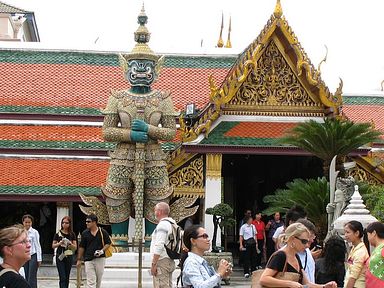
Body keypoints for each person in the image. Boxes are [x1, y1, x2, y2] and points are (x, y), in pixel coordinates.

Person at [259, 222, 337, 288]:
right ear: (293, 239)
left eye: (307, 241)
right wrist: (289, 283)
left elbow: (307, 283)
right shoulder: (281, 255)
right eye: (304, 241)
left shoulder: (296, 257)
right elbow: (264, 279)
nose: (307, 245)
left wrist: (324, 286)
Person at [76, 214, 111, 288]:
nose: (87, 223)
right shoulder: (85, 233)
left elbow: (108, 243)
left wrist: (102, 251)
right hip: (88, 259)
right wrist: (79, 259)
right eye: (86, 221)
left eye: (89, 221)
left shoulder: (102, 232)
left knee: (98, 281)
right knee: (91, 281)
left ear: (94, 222)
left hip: (100, 259)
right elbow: (82, 246)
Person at [150, 202, 176, 288]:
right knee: (168, 285)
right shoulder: (172, 224)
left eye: (155, 210)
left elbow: (159, 245)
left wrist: (154, 264)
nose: (154, 212)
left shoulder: (162, 225)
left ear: (159, 212)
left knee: (161, 285)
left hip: (161, 261)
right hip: (169, 260)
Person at [52, 216, 77, 288]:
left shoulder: (72, 234)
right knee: (62, 276)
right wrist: (59, 243)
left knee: (67, 276)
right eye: (63, 223)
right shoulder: (58, 234)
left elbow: (75, 247)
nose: (64, 224)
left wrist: (69, 243)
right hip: (60, 255)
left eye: (67, 223)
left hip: (68, 254)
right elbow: (53, 245)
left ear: (69, 224)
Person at [344, 220, 369, 288]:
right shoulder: (354, 248)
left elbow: (353, 276)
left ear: (357, 233)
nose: (345, 235)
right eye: (345, 232)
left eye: (348, 232)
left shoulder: (361, 252)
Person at [295, 218, 318, 283]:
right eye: (310, 236)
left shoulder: (307, 251)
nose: (312, 240)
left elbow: (308, 283)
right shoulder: (284, 254)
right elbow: (264, 279)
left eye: (313, 236)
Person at [22, 214, 41, 288]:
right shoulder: (21, 232)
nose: (27, 224)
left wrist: (39, 259)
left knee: (31, 276)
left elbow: (37, 245)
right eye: (26, 222)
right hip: (24, 255)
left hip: (33, 255)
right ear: (23, 222)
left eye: (29, 222)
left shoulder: (34, 232)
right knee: (26, 275)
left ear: (31, 223)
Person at [365, 221, 384, 287]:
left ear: (374, 233)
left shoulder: (382, 248)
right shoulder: (377, 249)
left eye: (368, 235)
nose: (367, 238)